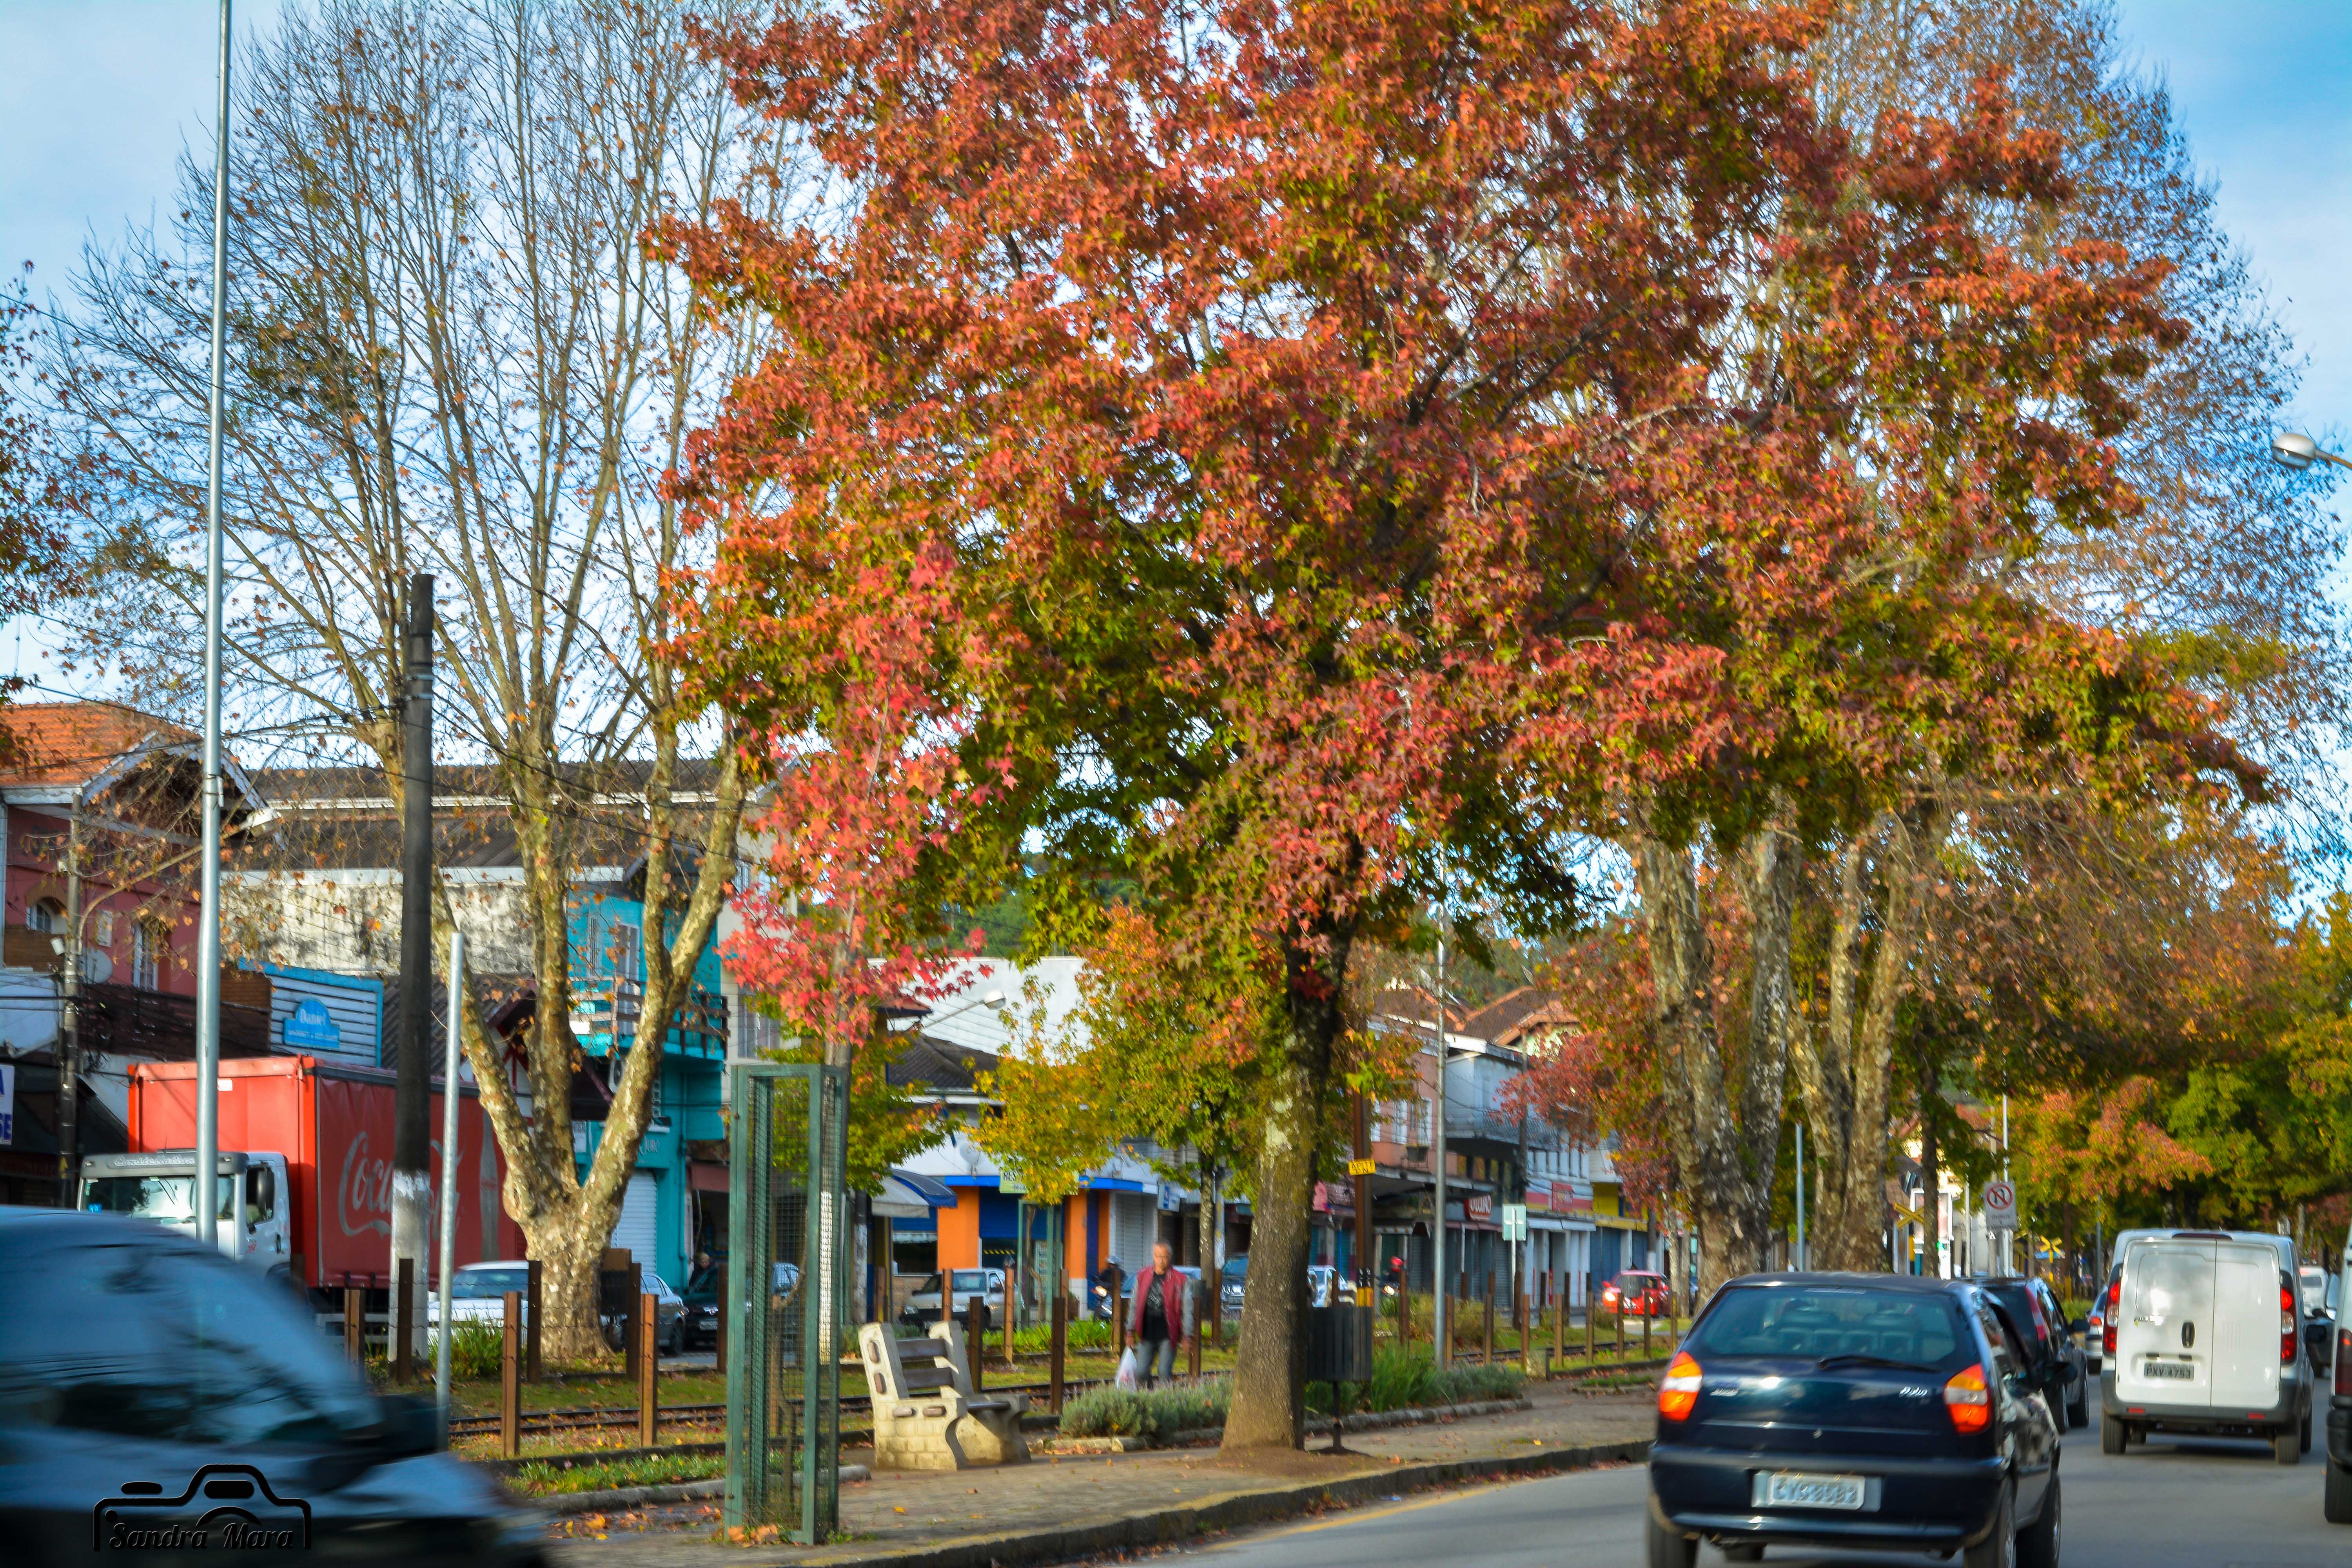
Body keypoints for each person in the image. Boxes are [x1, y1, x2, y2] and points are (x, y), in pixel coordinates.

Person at [1126, 1241, 1195, 1387]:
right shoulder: (1143, 1277)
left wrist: (1187, 1336)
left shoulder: (1180, 1280)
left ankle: (1165, 1401)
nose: (1161, 1260)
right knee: (1141, 1372)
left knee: (1164, 1372)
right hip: (1147, 1332)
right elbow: (1134, 1305)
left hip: (1168, 1334)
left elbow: (1188, 1309)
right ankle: (1150, 1397)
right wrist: (1130, 1331)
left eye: (1165, 1257)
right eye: (1158, 1256)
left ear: (1170, 1257)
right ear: (1153, 1256)